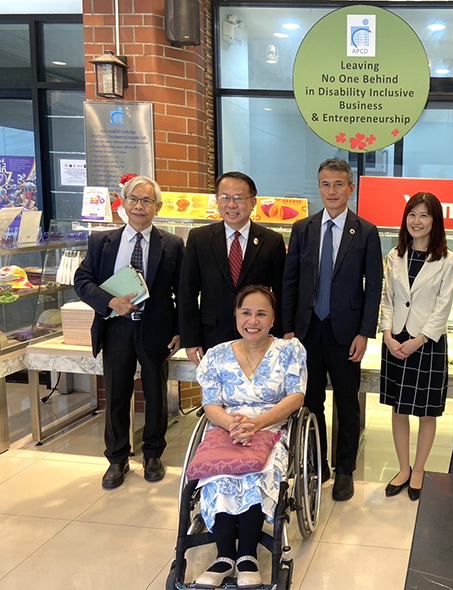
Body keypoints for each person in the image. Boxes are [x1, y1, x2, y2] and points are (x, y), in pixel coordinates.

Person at [282, 158, 383, 501]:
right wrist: (288, 330)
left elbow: (374, 287)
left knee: (347, 403)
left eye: (339, 184)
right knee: (310, 402)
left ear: (351, 187)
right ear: (319, 187)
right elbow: (290, 281)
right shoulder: (303, 229)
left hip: (346, 333)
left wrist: (365, 332)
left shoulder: (366, 232)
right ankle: (316, 464)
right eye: (325, 184)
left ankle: (345, 470)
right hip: (307, 331)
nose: (332, 191)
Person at [74, 176, 184, 489]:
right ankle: (117, 458)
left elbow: (182, 292)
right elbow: (82, 281)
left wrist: (180, 331)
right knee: (117, 395)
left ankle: (152, 454)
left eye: (147, 200)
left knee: (156, 395)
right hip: (116, 329)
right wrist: (109, 301)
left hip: (156, 329)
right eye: (134, 199)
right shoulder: (101, 242)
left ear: (158, 207)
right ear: (123, 202)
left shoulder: (173, 244)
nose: (139, 206)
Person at [194, 285, 306, 588]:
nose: (252, 321)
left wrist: (256, 424)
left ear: (272, 320)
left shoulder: (290, 351)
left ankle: (247, 556)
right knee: (220, 474)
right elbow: (210, 404)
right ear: (236, 315)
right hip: (226, 429)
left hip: (272, 427)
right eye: (246, 313)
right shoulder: (217, 354)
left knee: (258, 473)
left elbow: (296, 397)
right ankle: (224, 555)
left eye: (261, 314)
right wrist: (233, 425)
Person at [379, 192, 453, 501]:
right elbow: (388, 299)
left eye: (424, 215)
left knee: (427, 412)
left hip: (427, 342)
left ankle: (419, 469)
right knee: (399, 409)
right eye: (412, 214)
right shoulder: (394, 255)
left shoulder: (447, 259)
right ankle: (402, 467)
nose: (417, 221)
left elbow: (443, 306)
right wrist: (387, 333)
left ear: (435, 220)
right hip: (395, 338)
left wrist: (420, 339)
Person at [180, 171, 286, 366]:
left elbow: (280, 294)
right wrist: (191, 339)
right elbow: (187, 293)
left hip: (258, 337)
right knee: (216, 394)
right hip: (211, 335)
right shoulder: (199, 239)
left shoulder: (272, 241)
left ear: (253, 202)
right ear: (217, 201)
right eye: (225, 198)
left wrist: (280, 337)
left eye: (238, 198)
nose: (231, 205)